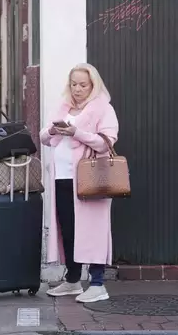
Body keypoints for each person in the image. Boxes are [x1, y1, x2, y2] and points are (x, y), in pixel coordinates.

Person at [39, 63, 119, 304]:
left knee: (93, 230)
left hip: (90, 180)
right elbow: (44, 137)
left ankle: (97, 283)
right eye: (73, 84)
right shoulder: (63, 107)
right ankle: (73, 280)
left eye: (83, 84)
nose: (77, 89)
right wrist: (53, 130)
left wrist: (75, 132)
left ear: (93, 84)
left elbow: (106, 142)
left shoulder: (103, 109)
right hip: (62, 178)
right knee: (68, 229)